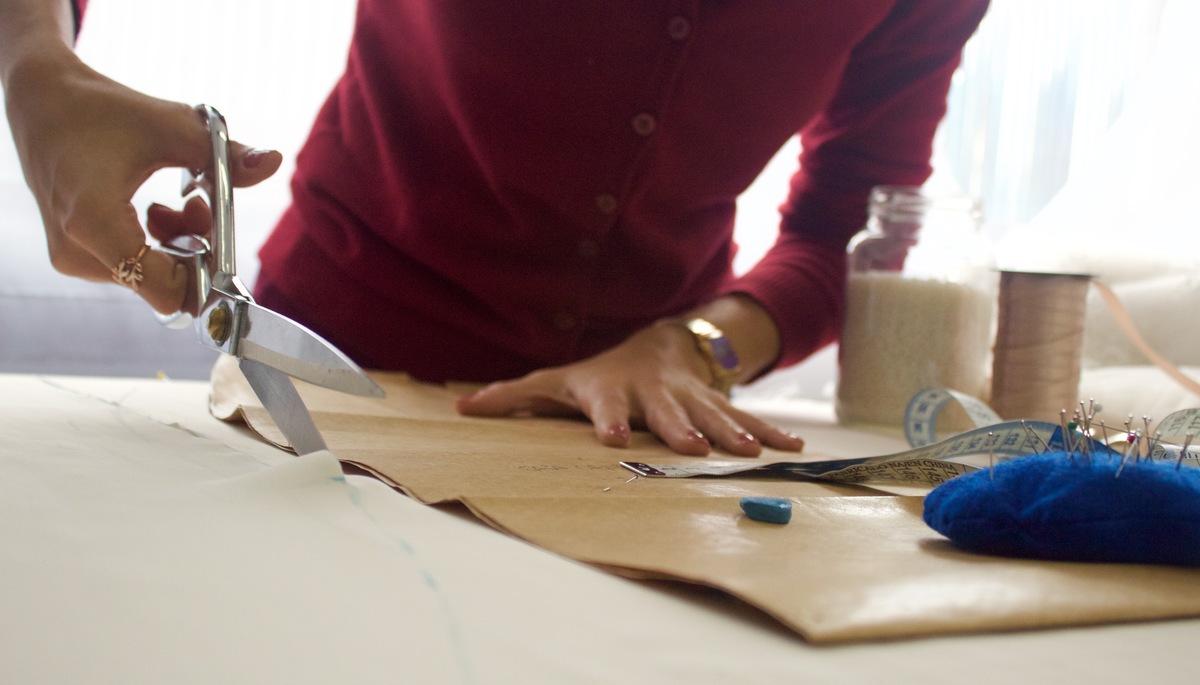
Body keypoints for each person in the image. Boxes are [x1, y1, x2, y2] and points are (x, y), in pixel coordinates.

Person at [1, 0, 989, 456]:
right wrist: (36, 65)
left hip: (630, 436)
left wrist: (694, 346)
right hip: (336, 362)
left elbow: (853, 230)